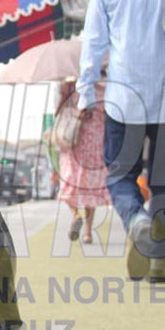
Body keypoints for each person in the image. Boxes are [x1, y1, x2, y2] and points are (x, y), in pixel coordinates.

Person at [77, 0, 165, 283]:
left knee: (121, 175)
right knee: (164, 180)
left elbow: (94, 43)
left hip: (125, 97)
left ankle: (136, 220)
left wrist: (85, 94)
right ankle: (158, 260)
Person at [55, 81, 111, 244]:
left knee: (70, 182)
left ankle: (76, 215)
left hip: (75, 141)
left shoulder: (70, 87)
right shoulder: (104, 88)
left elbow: (57, 113)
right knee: (89, 186)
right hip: (93, 141)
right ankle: (87, 231)